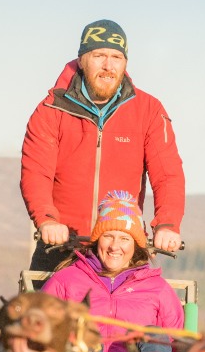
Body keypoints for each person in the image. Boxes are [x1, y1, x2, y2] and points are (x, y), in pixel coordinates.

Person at [21, 19, 185, 271]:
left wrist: (167, 224)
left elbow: (168, 175)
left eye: (116, 57)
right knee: (38, 308)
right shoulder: (50, 110)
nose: (108, 65)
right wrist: (47, 220)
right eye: (99, 55)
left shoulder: (149, 110)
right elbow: (36, 172)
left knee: (147, 307)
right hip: (61, 246)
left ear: (125, 63)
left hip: (122, 245)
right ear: (82, 59)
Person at [42, 190, 184, 352]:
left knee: (155, 336)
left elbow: (177, 342)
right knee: (84, 332)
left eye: (124, 238)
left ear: (135, 245)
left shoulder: (158, 289)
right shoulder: (66, 280)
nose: (114, 246)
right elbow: (41, 327)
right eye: (108, 236)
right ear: (97, 239)